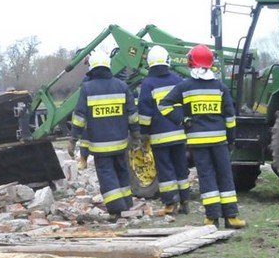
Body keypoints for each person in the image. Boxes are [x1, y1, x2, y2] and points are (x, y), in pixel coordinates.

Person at [159, 44, 246, 229]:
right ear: (211, 64)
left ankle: (212, 218)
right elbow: (230, 117)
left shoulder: (184, 87)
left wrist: (182, 120)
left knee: (207, 177)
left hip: (198, 143)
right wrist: (231, 139)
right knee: (225, 176)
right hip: (220, 141)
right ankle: (231, 217)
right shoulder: (220, 87)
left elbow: (164, 105)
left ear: (191, 63)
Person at [68, 49, 140, 217]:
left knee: (107, 175)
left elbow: (79, 118)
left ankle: (116, 208)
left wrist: (73, 139)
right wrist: (136, 134)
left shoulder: (87, 88)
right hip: (121, 143)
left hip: (100, 146)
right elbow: (132, 114)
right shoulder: (122, 86)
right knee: (122, 172)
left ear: (92, 68)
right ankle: (127, 203)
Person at [137, 46, 190, 215]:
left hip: (159, 137)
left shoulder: (148, 84)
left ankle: (170, 204)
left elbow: (144, 112)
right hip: (179, 134)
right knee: (181, 167)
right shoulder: (178, 80)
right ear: (168, 61)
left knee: (165, 169)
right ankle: (184, 201)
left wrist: (144, 133)